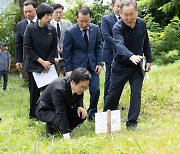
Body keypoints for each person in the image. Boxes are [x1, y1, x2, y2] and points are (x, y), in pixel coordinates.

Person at [104, 0, 152, 130]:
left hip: (137, 66)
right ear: (120, 13)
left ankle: (132, 123)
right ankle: (106, 123)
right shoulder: (117, 27)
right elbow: (119, 45)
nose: (129, 18)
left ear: (136, 12)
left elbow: (145, 41)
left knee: (136, 93)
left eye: (132, 14)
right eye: (125, 15)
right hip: (121, 66)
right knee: (113, 94)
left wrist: (149, 60)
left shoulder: (141, 23)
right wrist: (130, 56)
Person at [63, 6, 102, 120]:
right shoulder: (70, 32)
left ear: (90, 18)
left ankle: (92, 112)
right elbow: (67, 52)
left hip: (93, 66)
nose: (84, 24)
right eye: (81, 21)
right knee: (78, 92)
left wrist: (99, 62)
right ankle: (78, 113)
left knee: (96, 90)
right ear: (77, 19)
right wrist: (69, 69)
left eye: (87, 21)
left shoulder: (95, 29)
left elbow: (99, 46)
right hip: (77, 67)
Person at [35, 68, 91, 139]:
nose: (83, 90)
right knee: (60, 120)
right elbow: (60, 112)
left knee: (81, 115)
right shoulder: (58, 89)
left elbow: (80, 95)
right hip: (46, 109)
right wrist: (66, 135)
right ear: (73, 83)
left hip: (64, 106)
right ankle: (51, 126)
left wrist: (80, 106)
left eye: (85, 88)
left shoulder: (78, 87)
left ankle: (61, 128)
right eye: (82, 87)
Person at [24, 3, 58, 118]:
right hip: (34, 66)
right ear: (40, 15)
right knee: (34, 93)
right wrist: (41, 62)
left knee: (49, 92)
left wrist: (48, 62)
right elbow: (28, 48)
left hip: (48, 67)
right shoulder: (30, 28)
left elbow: (54, 48)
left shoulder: (52, 29)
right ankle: (33, 116)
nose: (50, 18)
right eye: (47, 15)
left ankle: (47, 114)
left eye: (51, 15)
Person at [101, 0, 121, 102]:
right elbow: (106, 36)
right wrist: (120, 45)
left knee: (119, 80)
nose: (120, 8)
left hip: (122, 55)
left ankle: (115, 102)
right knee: (109, 79)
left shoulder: (126, 18)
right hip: (110, 54)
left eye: (122, 6)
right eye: (118, 6)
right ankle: (107, 102)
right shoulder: (106, 19)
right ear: (112, 6)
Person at [15, 0, 37, 72]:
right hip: (28, 60)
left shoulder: (43, 22)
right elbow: (18, 44)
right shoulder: (20, 25)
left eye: (30, 11)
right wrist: (18, 60)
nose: (28, 14)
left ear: (35, 10)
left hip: (43, 60)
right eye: (25, 12)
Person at [50, 4, 72, 76]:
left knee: (68, 78)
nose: (58, 14)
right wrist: (56, 48)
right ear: (52, 12)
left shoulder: (68, 24)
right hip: (54, 57)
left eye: (60, 12)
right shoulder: (48, 24)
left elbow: (71, 38)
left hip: (66, 56)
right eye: (57, 12)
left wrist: (64, 47)